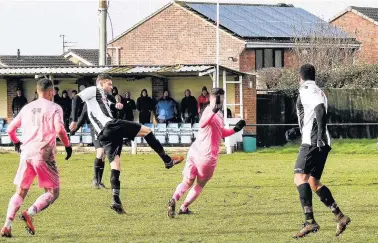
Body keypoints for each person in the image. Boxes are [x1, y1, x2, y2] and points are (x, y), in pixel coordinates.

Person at [69, 74, 184, 214]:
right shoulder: (94, 89)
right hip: (110, 126)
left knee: (115, 165)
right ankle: (167, 161)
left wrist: (115, 105)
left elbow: (104, 106)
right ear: (102, 83)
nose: (111, 87)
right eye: (109, 84)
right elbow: (76, 98)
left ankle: (116, 201)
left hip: (104, 135)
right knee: (147, 131)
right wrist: (74, 121)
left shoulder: (102, 97)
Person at [285, 64, 350, 238]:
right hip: (318, 140)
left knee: (299, 177)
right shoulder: (317, 89)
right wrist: (297, 129)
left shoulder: (307, 89)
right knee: (313, 182)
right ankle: (340, 217)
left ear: (299, 76)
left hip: (313, 142)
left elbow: (320, 109)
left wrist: (319, 135)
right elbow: (312, 115)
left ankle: (310, 222)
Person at [0, 78, 72, 238]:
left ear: (37, 91)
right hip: (43, 153)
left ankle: (7, 226)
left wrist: (16, 143)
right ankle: (30, 212)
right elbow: (60, 129)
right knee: (53, 192)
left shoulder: (27, 108)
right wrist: (67, 145)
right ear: (50, 91)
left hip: (26, 153)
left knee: (20, 191)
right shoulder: (54, 107)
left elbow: (10, 129)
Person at [167, 88, 246, 218]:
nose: (221, 101)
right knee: (200, 184)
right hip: (207, 157)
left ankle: (174, 199)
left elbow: (220, 132)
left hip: (194, 151)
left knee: (187, 182)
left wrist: (235, 129)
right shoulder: (210, 111)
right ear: (213, 98)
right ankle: (184, 207)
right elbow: (203, 124)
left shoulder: (216, 113)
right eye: (220, 98)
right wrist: (214, 111)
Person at [70, 103, 106, 189]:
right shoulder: (88, 104)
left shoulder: (105, 100)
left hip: (105, 130)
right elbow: (82, 117)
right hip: (95, 129)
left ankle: (99, 181)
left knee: (104, 155)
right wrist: (75, 129)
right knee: (100, 152)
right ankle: (95, 180)